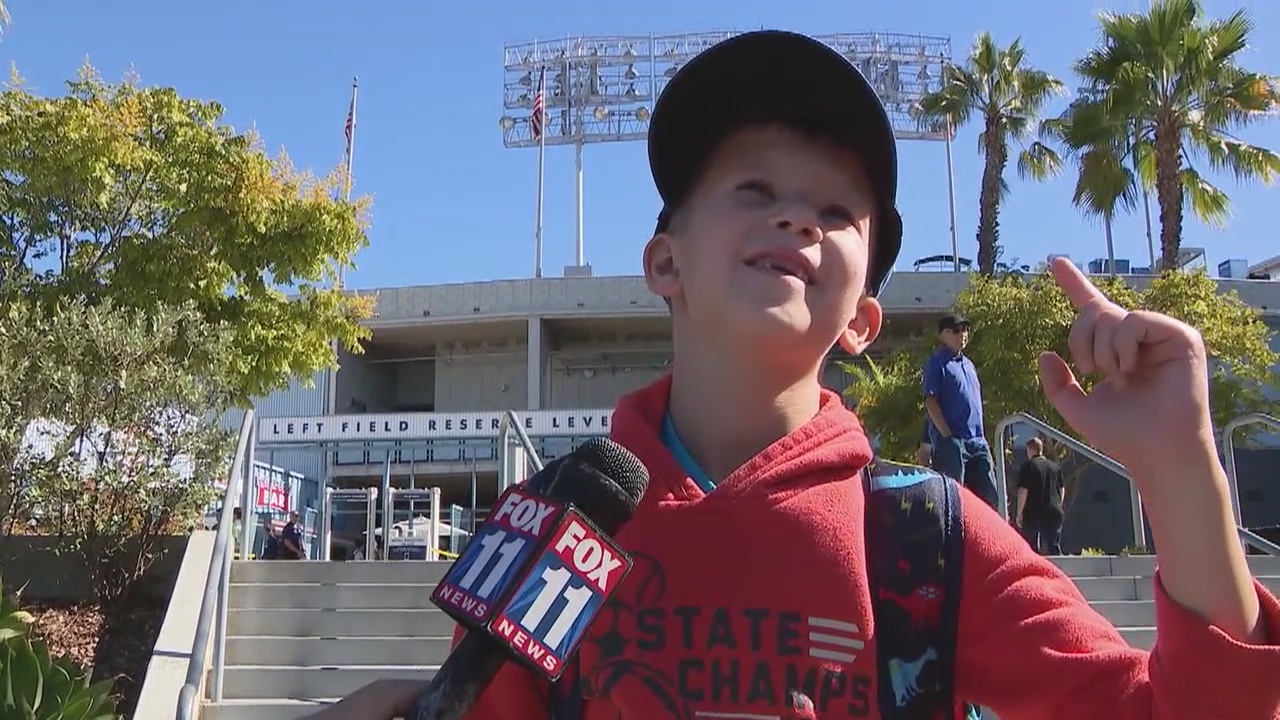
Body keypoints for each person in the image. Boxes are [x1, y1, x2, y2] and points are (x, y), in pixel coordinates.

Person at [306, 30, 1280, 720]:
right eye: (753, 188)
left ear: (862, 321)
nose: (797, 219)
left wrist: (1180, 470)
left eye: (836, 211)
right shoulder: (555, 520)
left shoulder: (927, 536)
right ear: (664, 263)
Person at [924, 312, 1000, 509]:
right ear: (943, 334)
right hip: (954, 442)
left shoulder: (968, 364)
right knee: (954, 500)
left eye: (966, 330)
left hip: (978, 441)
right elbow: (931, 401)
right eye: (957, 330)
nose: (963, 335)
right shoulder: (937, 362)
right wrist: (947, 436)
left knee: (989, 499)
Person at [1016, 436, 1065, 555]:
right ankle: (1057, 566)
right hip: (1054, 511)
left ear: (1029, 450)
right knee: (1053, 547)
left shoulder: (1029, 466)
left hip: (1034, 512)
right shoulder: (1055, 467)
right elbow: (1062, 489)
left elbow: (1023, 491)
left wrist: (1019, 513)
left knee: (1030, 548)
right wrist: (1058, 504)